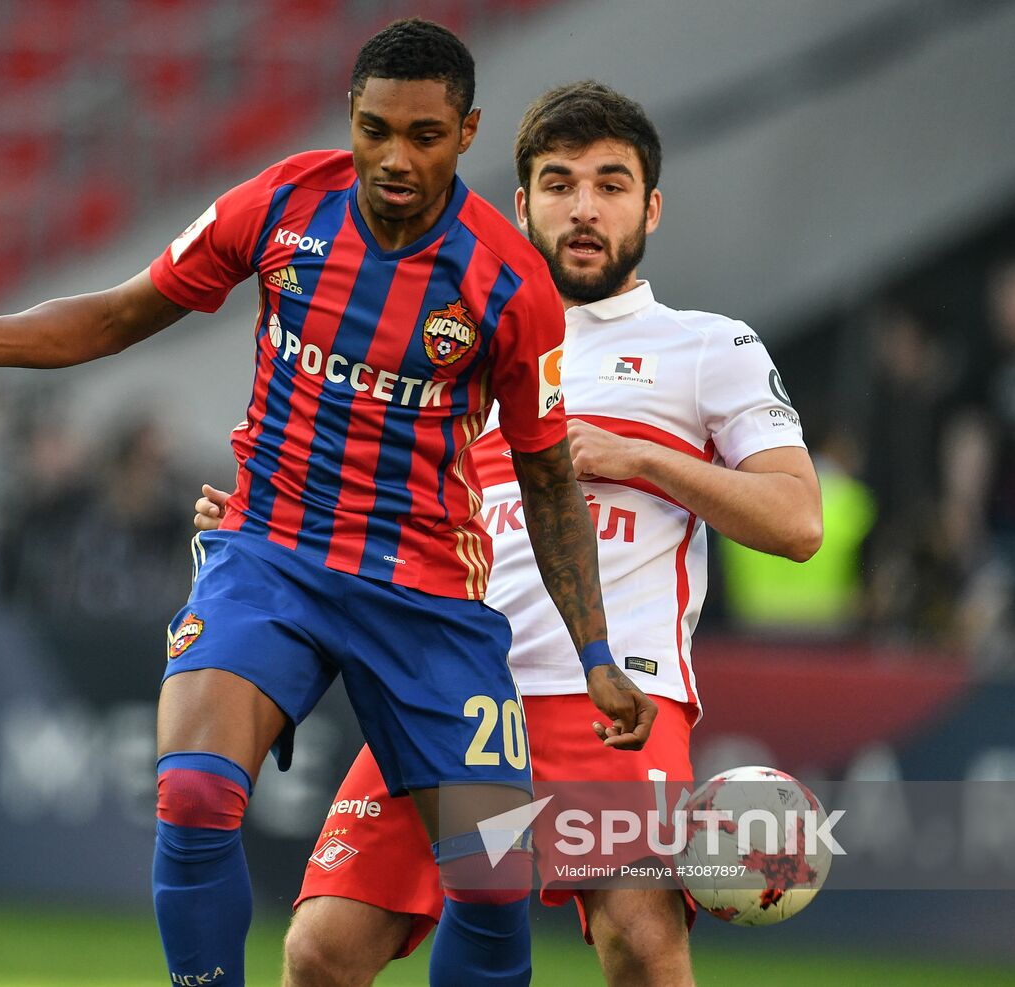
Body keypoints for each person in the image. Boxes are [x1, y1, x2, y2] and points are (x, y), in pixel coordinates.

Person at [0, 22, 655, 987]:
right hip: (271, 554)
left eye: (424, 134)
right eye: (376, 129)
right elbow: (123, 312)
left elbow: (546, 481)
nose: (396, 157)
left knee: (492, 877)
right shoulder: (285, 203)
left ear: (467, 133)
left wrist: (594, 654)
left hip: (424, 592)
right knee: (196, 791)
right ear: (351, 120)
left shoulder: (509, 284)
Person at [195, 80, 822, 986]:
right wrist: (261, 515)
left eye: (611, 185)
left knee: (641, 946)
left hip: (608, 698)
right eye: (560, 184)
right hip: (446, 684)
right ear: (522, 203)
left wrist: (639, 459)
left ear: (650, 207)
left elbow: (798, 521)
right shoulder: (454, 340)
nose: (584, 208)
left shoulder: (709, 347)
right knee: (320, 951)